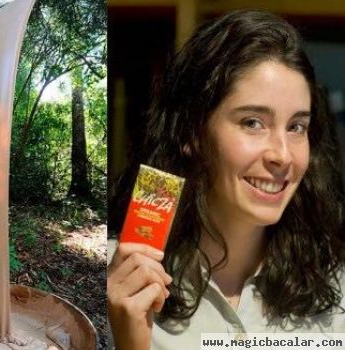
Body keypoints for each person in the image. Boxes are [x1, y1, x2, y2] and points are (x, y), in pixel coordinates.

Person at [107, 10, 345, 350]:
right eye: (252, 122)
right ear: (192, 131)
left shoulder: (336, 291)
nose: (282, 154)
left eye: (297, 127)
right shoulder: (117, 281)